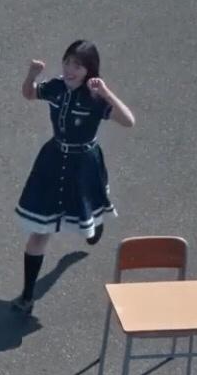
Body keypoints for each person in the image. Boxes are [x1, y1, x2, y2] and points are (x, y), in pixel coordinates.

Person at [12, 41, 137, 315]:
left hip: (84, 164)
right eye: (67, 62)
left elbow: (128, 121)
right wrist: (31, 75)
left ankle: (95, 223)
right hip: (53, 159)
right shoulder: (56, 86)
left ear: (89, 69)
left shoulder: (95, 97)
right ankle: (27, 294)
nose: (70, 69)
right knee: (40, 230)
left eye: (77, 66)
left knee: (88, 218)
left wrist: (106, 92)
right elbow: (29, 94)